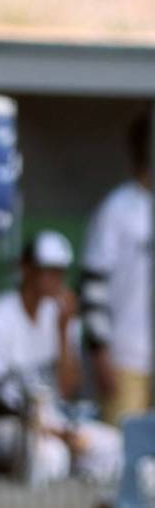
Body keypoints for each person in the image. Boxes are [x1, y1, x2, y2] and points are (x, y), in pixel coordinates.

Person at [0, 230, 121, 485]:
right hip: (1, 426)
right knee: (51, 455)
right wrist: (47, 429)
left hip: (54, 421)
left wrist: (63, 331)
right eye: (47, 270)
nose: (55, 279)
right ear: (27, 269)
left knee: (111, 446)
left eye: (60, 272)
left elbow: (68, 388)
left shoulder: (61, 316)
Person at [82, 114, 153, 426]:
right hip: (127, 357)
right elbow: (92, 284)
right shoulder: (118, 208)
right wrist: (100, 352)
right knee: (126, 455)